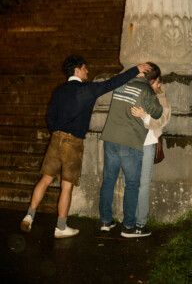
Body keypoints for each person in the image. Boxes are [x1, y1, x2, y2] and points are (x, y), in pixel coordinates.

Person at [20, 56, 151, 239]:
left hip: (56, 138)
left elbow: (50, 117)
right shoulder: (87, 90)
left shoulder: (58, 91)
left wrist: (57, 131)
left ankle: (29, 215)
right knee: (66, 187)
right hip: (72, 142)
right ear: (77, 70)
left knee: (45, 179)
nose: (87, 71)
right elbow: (112, 83)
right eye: (85, 68)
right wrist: (135, 69)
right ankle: (61, 226)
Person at [99, 63, 163, 238]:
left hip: (110, 139)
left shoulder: (121, 83)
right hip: (129, 142)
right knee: (133, 185)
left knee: (109, 181)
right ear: (152, 80)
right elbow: (158, 112)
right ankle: (128, 227)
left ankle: (105, 221)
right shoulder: (146, 90)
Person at [131, 76, 171, 232]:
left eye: (153, 81)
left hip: (147, 144)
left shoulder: (161, 98)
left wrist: (144, 116)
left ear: (159, 83)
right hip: (132, 142)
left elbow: (163, 120)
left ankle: (140, 221)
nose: (149, 84)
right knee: (130, 182)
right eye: (148, 81)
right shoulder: (138, 92)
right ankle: (130, 218)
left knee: (143, 183)